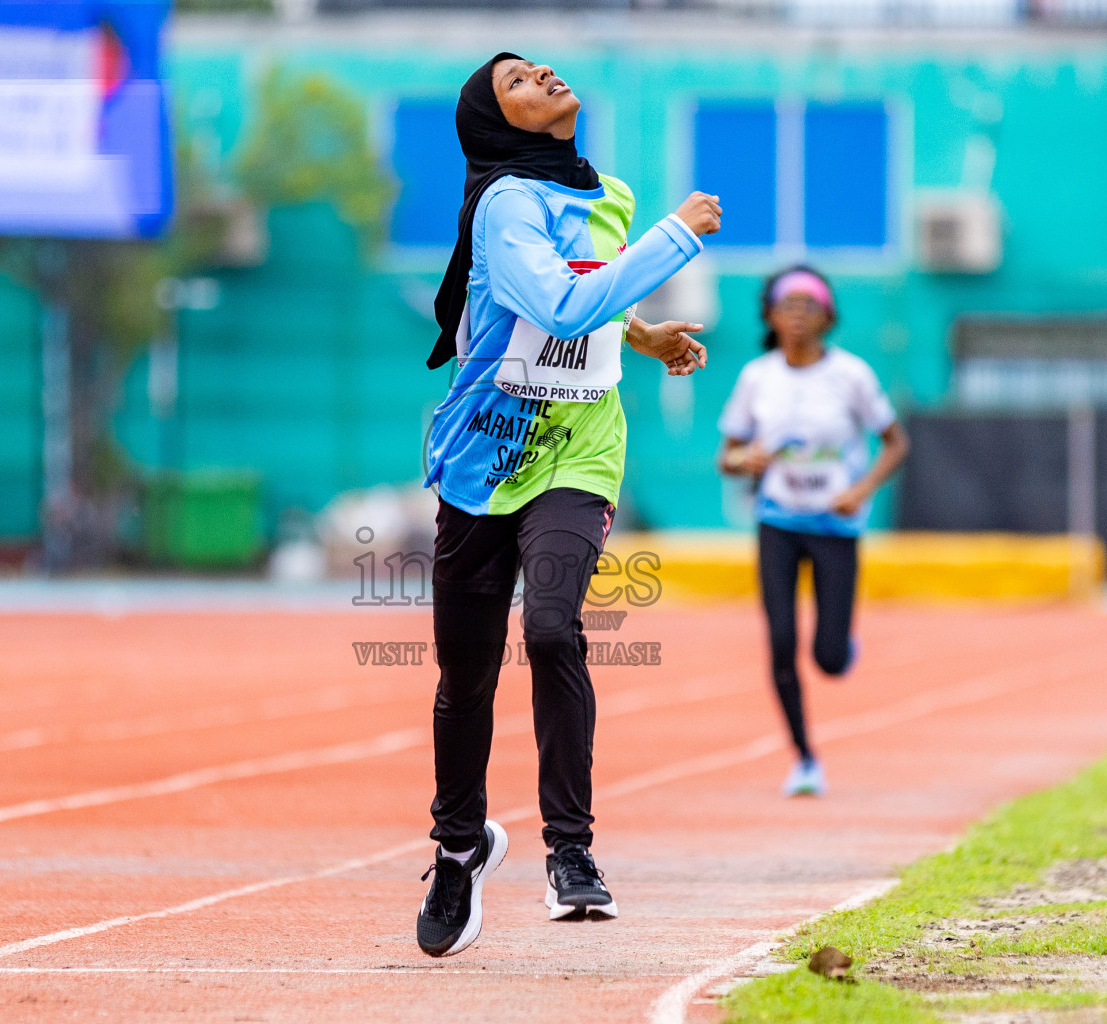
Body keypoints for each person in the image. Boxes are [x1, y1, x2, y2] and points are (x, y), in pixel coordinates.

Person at [417, 52, 721, 957]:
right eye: (514, 81)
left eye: (535, 66)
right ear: (499, 123)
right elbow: (548, 295)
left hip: (581, 449)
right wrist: (676, 241)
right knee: (464, 677)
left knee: (553, 629)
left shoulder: (608, 194)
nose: (539, 74)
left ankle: (571, 853)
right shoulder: (506, 197)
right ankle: (459, 848)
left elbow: (579, 298)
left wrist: (640, 330)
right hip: (485, 459)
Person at [716, 266, 909, 798]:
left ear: (828, 317)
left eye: (810, 306)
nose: (798, 315)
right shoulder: (758, 377)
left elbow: (896, 442)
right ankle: (804, 758)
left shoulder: (852, 375)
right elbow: (725, 458)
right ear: (770, 316)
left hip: (835, 524)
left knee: (826, 658)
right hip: (777, 521)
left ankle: (842, 648)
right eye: (788, 305)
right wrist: (744, 457)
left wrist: (862, 488)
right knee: (780, 640)